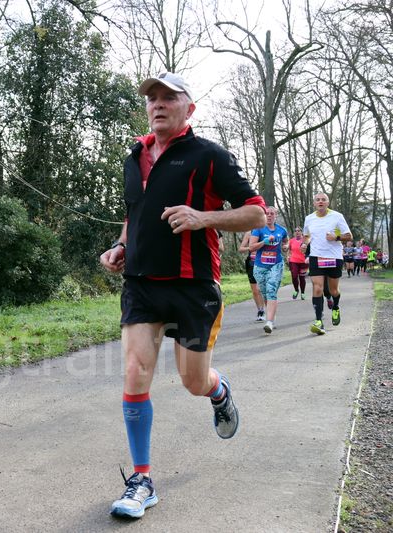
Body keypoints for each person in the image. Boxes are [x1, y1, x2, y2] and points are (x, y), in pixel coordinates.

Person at [99, 71, 266, 519]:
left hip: (194, 287)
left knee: (193, 381)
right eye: (151, 97)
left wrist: (203, 217)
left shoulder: (209, 155)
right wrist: (120, 246)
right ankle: (142, 479)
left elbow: (256, 213)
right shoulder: (134, 156)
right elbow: (134, 214)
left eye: (168, 97)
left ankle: (219, 391)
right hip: (141, 285)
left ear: (189, 108)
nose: (157, 103)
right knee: (135, 372)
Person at [302, 192, 352, 335]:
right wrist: (305, 244)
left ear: (328, 203)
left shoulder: (337, 216)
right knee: (317, 288)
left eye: (323, 199)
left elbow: (349, 236)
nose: (320, 202)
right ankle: (319, 321)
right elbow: (306, 235)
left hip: (334, 257)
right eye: (318, 200)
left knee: (333, 290)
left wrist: (336, 237)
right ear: (314, 203)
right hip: (316, 257)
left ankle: (335, 307)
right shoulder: (309, 218)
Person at [248, 207, 289, 333]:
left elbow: (286, 242)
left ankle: (269, 322)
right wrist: (264, 242)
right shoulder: (258, 229)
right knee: (265, 293)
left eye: (272, 213)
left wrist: (286, 246)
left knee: (271, 290)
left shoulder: (282, 230)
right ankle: (272, 316)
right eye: (267, 213)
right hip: (260, 267)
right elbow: (251, 247)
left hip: (276, 265)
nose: (269, 215)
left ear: (276, 216)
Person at [239, 232, 266, 320]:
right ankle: (260, 310)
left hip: (263, 262)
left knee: (260, 289)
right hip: (251, 264)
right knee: (255, 291)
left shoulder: (264, 231)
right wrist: (250, 248)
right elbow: (241, 249)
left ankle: (264, 309)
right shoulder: (248, 234)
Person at [288, 227, 308, 299]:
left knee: (302, 278)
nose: (297, 232)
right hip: (293, 261)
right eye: (296, 231)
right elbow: (289, 250)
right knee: (294, 276)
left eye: (299, 231)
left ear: (301, 232)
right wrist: (288, 256)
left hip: (303, 262)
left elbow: (309, 250)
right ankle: (296, 290)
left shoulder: (305, 240)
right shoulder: (291, 241)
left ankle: (303, 293)